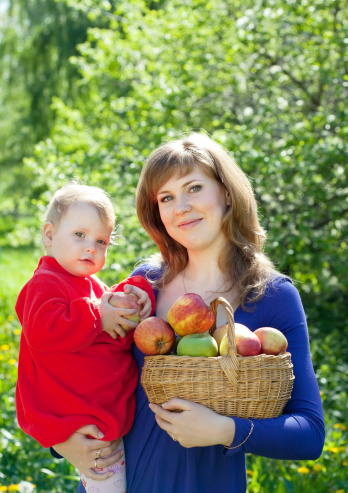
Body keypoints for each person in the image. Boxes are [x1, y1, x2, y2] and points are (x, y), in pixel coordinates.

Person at [51, 134, 325, 493]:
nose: (180, 207)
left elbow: (310, 433)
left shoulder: (271, 296)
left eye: (194, 188)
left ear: (226, 192)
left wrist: (225, 429)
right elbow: (76, 369)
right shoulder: (144, 284)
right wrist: (59, 441)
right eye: (166, 198)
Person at [15, 184, 156, 493]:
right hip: (83, 421)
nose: (91, 247)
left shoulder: (90, 285)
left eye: (101, 241)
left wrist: (136, 295)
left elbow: (113, 333)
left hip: (100, 413)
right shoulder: (47, 283)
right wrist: (99, 315)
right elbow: (44, 331)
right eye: (80, 235)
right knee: (108, 483)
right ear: (49, 235)